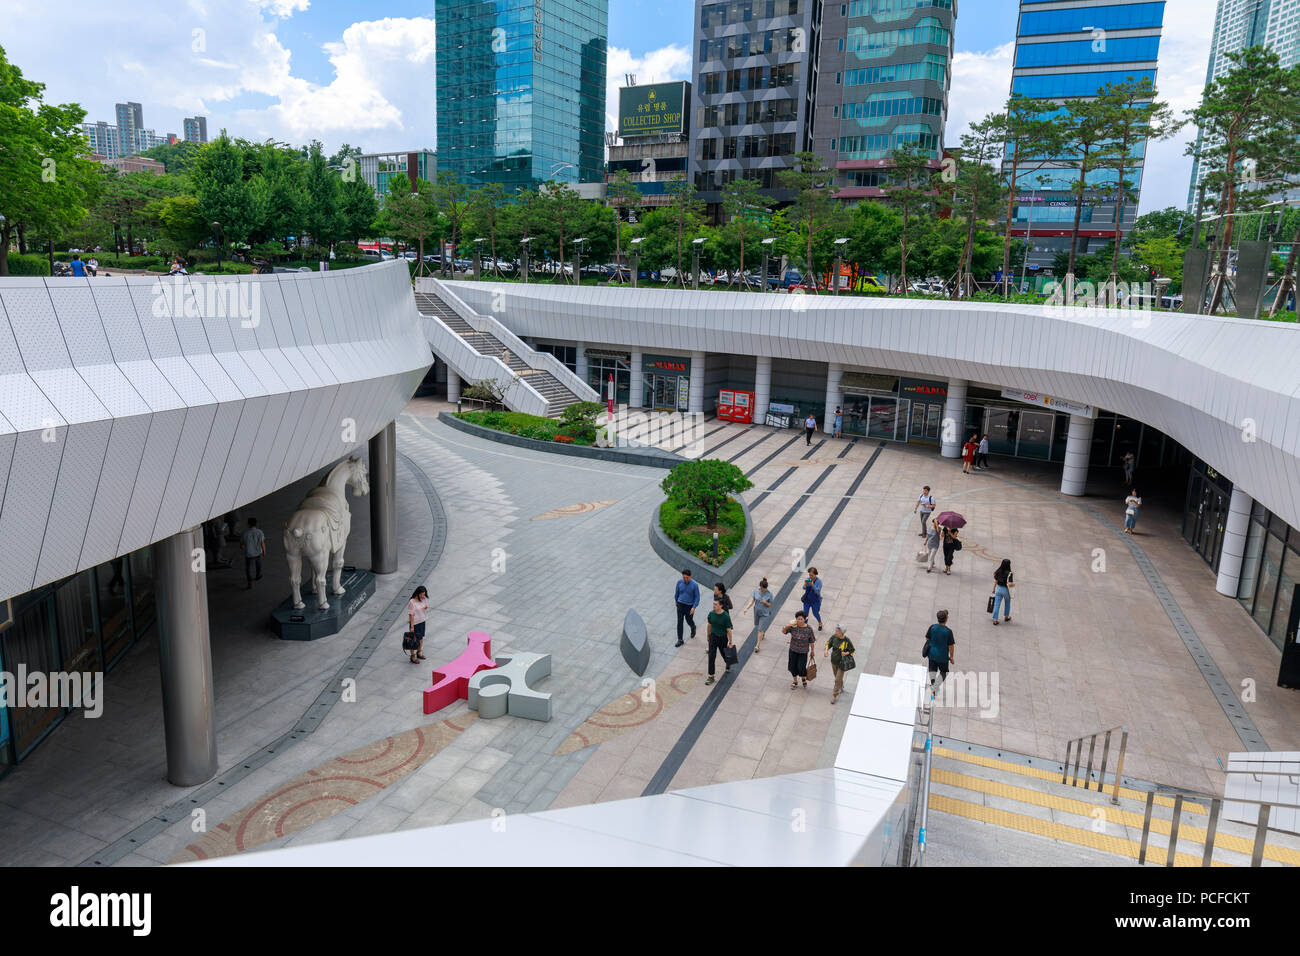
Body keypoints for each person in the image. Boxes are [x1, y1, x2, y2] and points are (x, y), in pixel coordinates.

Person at [923, 610, 955, 709]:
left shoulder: (932, 627)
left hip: (932, 654)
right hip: (942, 657)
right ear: (946, 619)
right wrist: (951, 657)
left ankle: (933, 688)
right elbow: (951, 646)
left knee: (932, 671)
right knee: (944, 672)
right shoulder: (948, 632)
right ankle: (935, 686)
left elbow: (927, 638)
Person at [704, 597, 734, 686]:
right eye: (713, 604)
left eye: (716, 604)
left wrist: (730, 642)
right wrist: (708, 635)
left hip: (722, 638)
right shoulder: (711, 614)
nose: (714, 606)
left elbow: (728, 629)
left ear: (721, 606)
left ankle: (728, 663)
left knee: (724, 653)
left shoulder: (725, 616)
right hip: (713, 637)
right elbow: (709, 625)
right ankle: (711, 676)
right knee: (711, 656)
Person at [782, 612, 816, 688]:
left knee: (801, 667)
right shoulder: (793, 626)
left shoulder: (808, 629)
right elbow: (784, 632)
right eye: (798, 619)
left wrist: (812, 651)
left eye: (801, 619)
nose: (800, 621)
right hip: (793, 650)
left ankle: (803, 678)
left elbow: (812, 641)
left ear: (805, 619)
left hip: (803, 652)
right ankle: (795, 681)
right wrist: (787, 626)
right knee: (792, 667)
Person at [824, 625, 856, 704]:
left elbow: (852, 650)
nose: (835, 632)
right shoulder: (834, 637)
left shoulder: (847, 640)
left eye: (837, 631)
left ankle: (834, 695)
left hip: (842, 663)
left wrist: (846, 653)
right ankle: (841, 686)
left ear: (842, 633)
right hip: (833, 661)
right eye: (835, 631)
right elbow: (828, 643)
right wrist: (826, 650)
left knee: (837, 679)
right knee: (837, 677)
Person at [742, 577, 775, 654]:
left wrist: (765, 603)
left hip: (764, 613)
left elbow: (770, 604)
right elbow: (752, 601)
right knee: (758, 626)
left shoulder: (769, 594)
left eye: (764, 589)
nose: (763, 590)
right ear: (760, 587)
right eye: (762, 588)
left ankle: (757, 645)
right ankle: (762, 633)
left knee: (759, 629)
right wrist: (746, 608)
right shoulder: (756, 591)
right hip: (756, 612)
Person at [674, 569, 700, 647]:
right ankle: (680, 639)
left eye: (687, 577)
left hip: (689, 606)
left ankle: (693, 627)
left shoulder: (694, 585)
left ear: (690, 577)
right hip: (680, 605)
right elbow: (677, 593)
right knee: (679, 622)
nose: (685, 579)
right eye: (684, 577)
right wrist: (676, 600)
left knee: (689, 620)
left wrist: (694, 607)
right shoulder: (679, 582)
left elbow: (697, 597)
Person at [406, 586, 430, 663]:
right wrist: (412, 626)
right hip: (415, 623)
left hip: (422, 621)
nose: (424, 596)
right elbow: (411, 614)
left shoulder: (423, 599)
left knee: (421, 638)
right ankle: (413, 656)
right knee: (413, 640)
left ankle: (419, 652)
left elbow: (425, 605)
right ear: (418, 593)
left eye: (424, 594)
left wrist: (425, 607)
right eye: (422, 594)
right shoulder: (412, 602)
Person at [241, 517, 266, 590]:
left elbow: (241, 544)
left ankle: (250, 582)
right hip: (258, 553)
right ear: (256, 524)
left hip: (249, 554)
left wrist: (242, 546)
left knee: (248, 568)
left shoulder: (245, 533)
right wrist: (264, 551)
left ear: (248, 524)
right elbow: (262, 543)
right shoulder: (259, 532)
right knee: (258, 564)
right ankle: (258, 575)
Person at [991, 559, 1014, 625]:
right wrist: (1014, 584)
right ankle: (1006, 616)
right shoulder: (1009, 573)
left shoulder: (999, 571)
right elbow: (1010, 583)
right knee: (1007, 603)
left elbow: (996, 581)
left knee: (996, 604)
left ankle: (995, 620)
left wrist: (994, 589)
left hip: (998, 589)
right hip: (1006, 590)